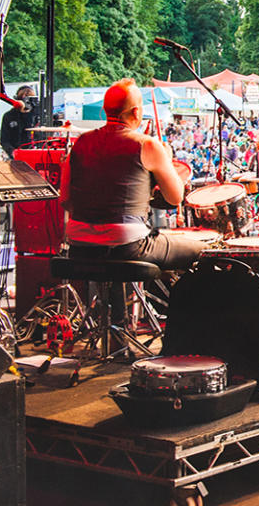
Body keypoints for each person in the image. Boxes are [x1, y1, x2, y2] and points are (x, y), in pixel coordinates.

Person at [60, 79, 207, 330]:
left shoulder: (81, 143)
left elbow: (65, 200)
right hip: (128, 246)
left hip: (79, 246)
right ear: (137, 112)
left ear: (106, 110)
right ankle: (185, 332)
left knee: (115, 254)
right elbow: (175, 198)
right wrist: (166, 160)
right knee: (200, 252)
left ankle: (116, 329)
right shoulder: (147, 144)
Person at [0, 85, 37, 156]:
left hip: (36, 153)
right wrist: (12, 152)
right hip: (16, 155)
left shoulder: (38, 114)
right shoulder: (9, 116)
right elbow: (4, 140)